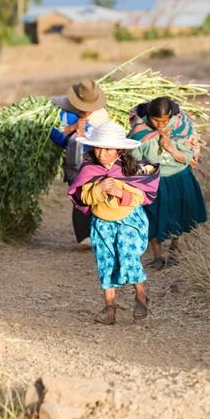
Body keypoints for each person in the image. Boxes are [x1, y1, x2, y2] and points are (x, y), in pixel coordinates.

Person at [68, 121, 160, 325]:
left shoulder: (132, 170)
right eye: (98, 147)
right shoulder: (89, 170)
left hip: (128, 221)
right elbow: (83, 197)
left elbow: (140, 196)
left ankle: (141, 296)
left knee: (129, 257)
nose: (101, 153)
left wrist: (119, 192)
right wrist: (98, 190)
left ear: (119, 150)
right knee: (106, 263)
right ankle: (110, 308)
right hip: (102, 224)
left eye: (107, 148)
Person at [128, 96, 207, 269]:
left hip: (179, 178)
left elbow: (186, 158)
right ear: (149, 115)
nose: (160, 125)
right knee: (152, 216)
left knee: (178, 213)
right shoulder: (139, 131)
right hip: (153, 181)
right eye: (156, 120)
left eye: (164, 121)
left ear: (171, 116)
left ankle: (174, 249)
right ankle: (158, 256)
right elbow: (133, 161)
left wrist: (169, 146)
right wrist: (149, 174)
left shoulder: (181, 128)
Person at [50, 79, 109, 247]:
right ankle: (84, 236)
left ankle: (99, 233)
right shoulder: (66, 112)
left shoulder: (101, 115)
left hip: (96, 160)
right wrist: (72, 128)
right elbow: (57, 136)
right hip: (74, 161)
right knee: (80, 197)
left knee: (98, 195)